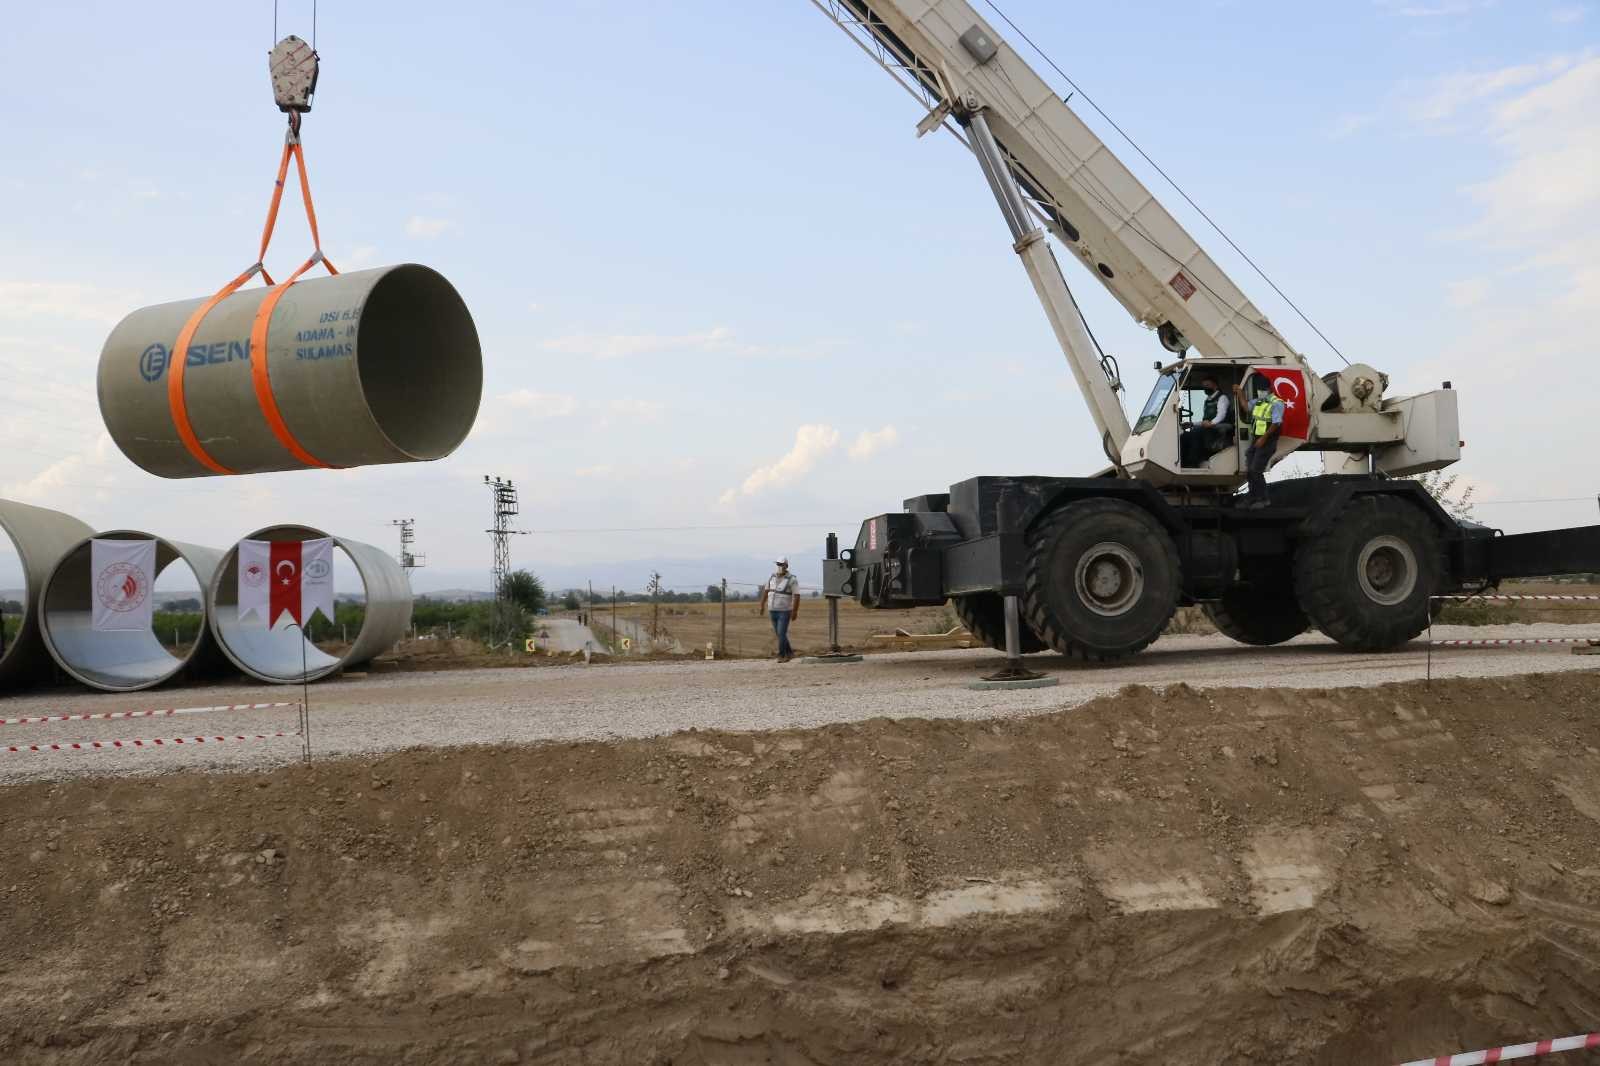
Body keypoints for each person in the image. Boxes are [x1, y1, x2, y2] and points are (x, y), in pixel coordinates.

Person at [1234, 377, 1285, 508]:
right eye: (1259, 389)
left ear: (1269, 389)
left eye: (1263, 389)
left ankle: (1263, 499)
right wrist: (1240, 394)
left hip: (1268, 440)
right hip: (1257, 440)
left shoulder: (1276, 403)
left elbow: (1276, 423)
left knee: (1256, 471)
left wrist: (1264, 438)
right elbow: (1246, 407)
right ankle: (1253, 497)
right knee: (1250, 470)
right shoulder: (1259, 402)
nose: (1261, 391)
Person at [1179, 375, 1231, 467]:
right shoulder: (1207, 400)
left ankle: (1193, 462)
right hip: (1209, 427)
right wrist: (1191, 424)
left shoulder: (1222, 398)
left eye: (1207, 385)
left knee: (1195, 433)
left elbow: (1221, 415)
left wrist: (1212, 423)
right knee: (1185, 435)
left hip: (1220, 427)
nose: (1205, 388)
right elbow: (1205, 421)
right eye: (1204, 385)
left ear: (1215, 385)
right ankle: (1183, 463)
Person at [757, 556, 800, 662]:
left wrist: (794, 611)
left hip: (784, 611)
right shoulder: (772, 577)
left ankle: (782, 655)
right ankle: (789, 652)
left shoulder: (792, 579)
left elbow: (797, 596)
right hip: (772, 610)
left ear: (786, 566)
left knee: (781, 633)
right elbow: (766, 591)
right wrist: (762, 605)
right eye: (778, 564)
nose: (780, 566)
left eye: (781, 564)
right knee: (780, 634)